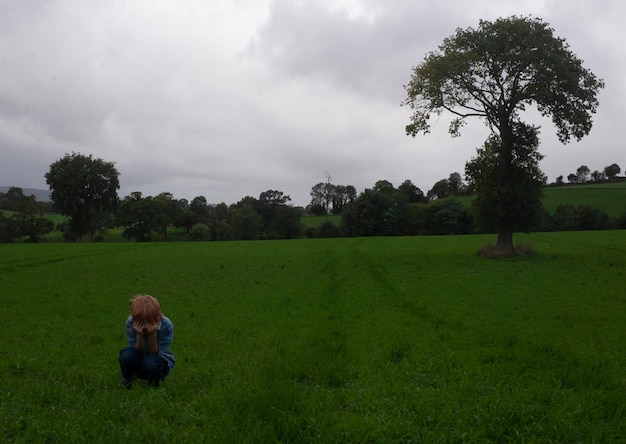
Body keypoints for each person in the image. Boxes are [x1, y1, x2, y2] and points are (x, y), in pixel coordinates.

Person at [118, 294, 175, 388]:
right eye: (140, 321)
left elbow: (156, 354)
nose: (144, 324)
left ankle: (155, 382)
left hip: (159, 361)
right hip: (140, 358)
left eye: (147, 320)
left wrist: (153, 334)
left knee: (149, 362)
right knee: (127, 355)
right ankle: (128, 379)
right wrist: (139, 336)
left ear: (157, 317)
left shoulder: (166, 325)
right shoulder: (130, 322)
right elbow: (135, 352)